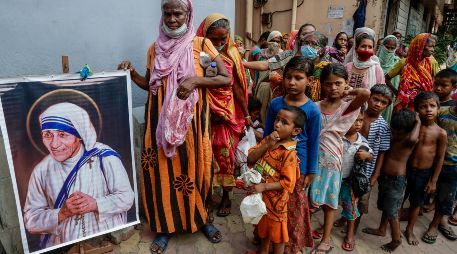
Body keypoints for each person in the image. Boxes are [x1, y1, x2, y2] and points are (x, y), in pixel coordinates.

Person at [118, 0, 232, 252]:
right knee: (162, 173)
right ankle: (165, 227)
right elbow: (150, 84)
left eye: (177, 13)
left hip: (192, 120)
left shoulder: (202, 44)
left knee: (196, 167)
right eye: (167, 13)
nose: (172, 19)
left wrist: (195, 81)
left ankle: (201, 220)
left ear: (188, 14)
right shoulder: (154, 48)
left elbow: (226, 78)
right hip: (159, 122)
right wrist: (132, 72)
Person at [23, 103, 135, 248]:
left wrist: (95, 204)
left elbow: (127, 197)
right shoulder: (41, 171)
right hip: (66, 246)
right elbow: (31, 221)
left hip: (105, 239)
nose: (54, 144)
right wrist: (62, 213)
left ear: (79, 136)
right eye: (48, 135)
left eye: (63, 134)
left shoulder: (104, 156)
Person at [310, 63, 370, 254]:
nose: (333, 88)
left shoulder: (348, 107)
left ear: (346, 84)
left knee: (329, 203)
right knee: (308, 199)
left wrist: (349, 92)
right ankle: (305, 230)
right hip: (313, 159)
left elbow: (366, 94)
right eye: (328, 84)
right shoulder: (314, 107)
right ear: (321, 85)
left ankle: (326, 240)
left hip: (333, 161)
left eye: (338, 83)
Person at [264, 56, 321, 253]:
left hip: (298, 168)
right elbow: (267, 135)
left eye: (298, 78)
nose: (292, 82)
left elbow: (314, 142)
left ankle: (291, 244)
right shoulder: (275, 104)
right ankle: (270, 239)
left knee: (293, 207)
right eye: (288, 77)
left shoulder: (313, 110)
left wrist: (310, 171)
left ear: (309, 81)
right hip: (273, 164)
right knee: (272, 203)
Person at [196, 13, 250, 218]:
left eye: (223, 38)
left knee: (226, 157)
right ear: (204, 35)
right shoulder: (196, 54)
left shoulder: (232, 55)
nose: (219, 43)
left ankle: (226, 196)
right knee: (205, 156)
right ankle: (207, 197)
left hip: (226, 116)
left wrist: (245, 116)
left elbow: (237, 88)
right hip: (204, 113)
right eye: (214, 39)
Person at [246, 106, 304, 254]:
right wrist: (267, 144)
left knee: (278, 237)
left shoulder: (288, 154)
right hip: (263, 200)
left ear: (295, 131)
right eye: (277, 119)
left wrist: (264, 187)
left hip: (276, 205)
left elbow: (288, 183)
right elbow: (250, 158)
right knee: (265, 231)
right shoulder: (270, 140)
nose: (277, 124)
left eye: (284, 122)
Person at [335, 85, 392, 234]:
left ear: (387, 106)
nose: (378, 104)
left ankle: (352, 230)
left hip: (365, 172)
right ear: (369, 97)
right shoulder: (356, 115)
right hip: (346, 166)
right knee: (345, 196)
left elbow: (381, 153)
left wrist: (375, 175)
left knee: (361, 201)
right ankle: (344, 218)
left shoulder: (383, 126)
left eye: (383, 102)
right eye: (375, 99)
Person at [369, 109, 420, 252]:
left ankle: (396, 240)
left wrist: (418, 120)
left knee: (392, 212)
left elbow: (413, 138)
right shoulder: (393, 134)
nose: (396, 133)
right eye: (394, 130)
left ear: (409, 130)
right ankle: (381, 229)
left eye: (400, 131)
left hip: (397, 180)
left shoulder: (409, 140)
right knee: (386, 206)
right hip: (385, 178)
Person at [403, 92, 447, 246]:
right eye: (423, 107)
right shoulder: (413, 127)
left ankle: (409, 229)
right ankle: (384, 225)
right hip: (406, 169)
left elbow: (440, 158)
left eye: (432, 106)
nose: (428, 110)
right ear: (417, 110)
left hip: (423, 174)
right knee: (399, 198)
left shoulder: (441, 133)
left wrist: (433, 180)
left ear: (438, 109)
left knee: (416, 204)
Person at [423, 92, 457, 244]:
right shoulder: (441, 113)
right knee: (424, 188)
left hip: (453, 166)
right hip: (432, 160)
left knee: (445, 196)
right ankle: (414, 212)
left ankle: (435, 224)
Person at [339, 110, 373, 251]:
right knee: (329, 205)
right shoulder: (338, 137)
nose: (358, 124)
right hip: (334, 178)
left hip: (349, 181)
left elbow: (371, 156)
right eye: (354, 120)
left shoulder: (362, 141)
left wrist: (366, 155)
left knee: (350, 207)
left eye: (360, 120)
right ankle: (325, 228)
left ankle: (350, 234)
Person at [386, 33, 439, 111]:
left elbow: (435, 82)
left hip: (424, 106)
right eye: (430, 46)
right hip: (404, 107)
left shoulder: (432, 63)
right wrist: (397, 93)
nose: (432, 50)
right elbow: (386, 78)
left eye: (433, 47)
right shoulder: (404, 63)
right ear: (420, 46)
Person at [377, 35, 400, 123]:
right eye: (387, 47)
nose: (389, 51)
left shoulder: (396, 62)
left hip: (388, 99)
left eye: (392, 48)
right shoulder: (374, 61)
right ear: (382, 46)